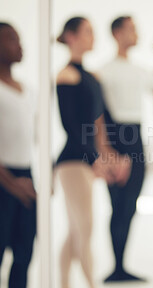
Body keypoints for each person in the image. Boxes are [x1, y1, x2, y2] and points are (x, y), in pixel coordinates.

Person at [55, 17, 130, 288]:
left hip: (87, 160)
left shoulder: (91, 76)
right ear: (71, 36)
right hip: (73, 161)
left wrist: (110, 156)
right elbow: (72, 127)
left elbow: (101, 124)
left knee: (77, 229)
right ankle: (90, 284)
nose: (93, 36)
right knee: (84, 228)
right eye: (87, 31)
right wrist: (96, 158)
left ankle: (63, 282)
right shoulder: (66, 75)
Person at [98, 16, 153, 282]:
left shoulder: (142, 71)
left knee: (130, 205)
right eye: (131, 29)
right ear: (116, 33)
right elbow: (99, 116)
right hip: (116, 138)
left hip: (135, 138)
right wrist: (108, 152)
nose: (136, 33)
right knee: (118, 205)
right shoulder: (103, 71)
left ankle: (121, 266)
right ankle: (117, 267)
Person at [0, 22, 37, 288]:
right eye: (11, 39)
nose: (19, 45)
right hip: (4, 178)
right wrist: (11, 183)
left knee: (25, 253)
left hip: (26, 175)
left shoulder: (29, 90)